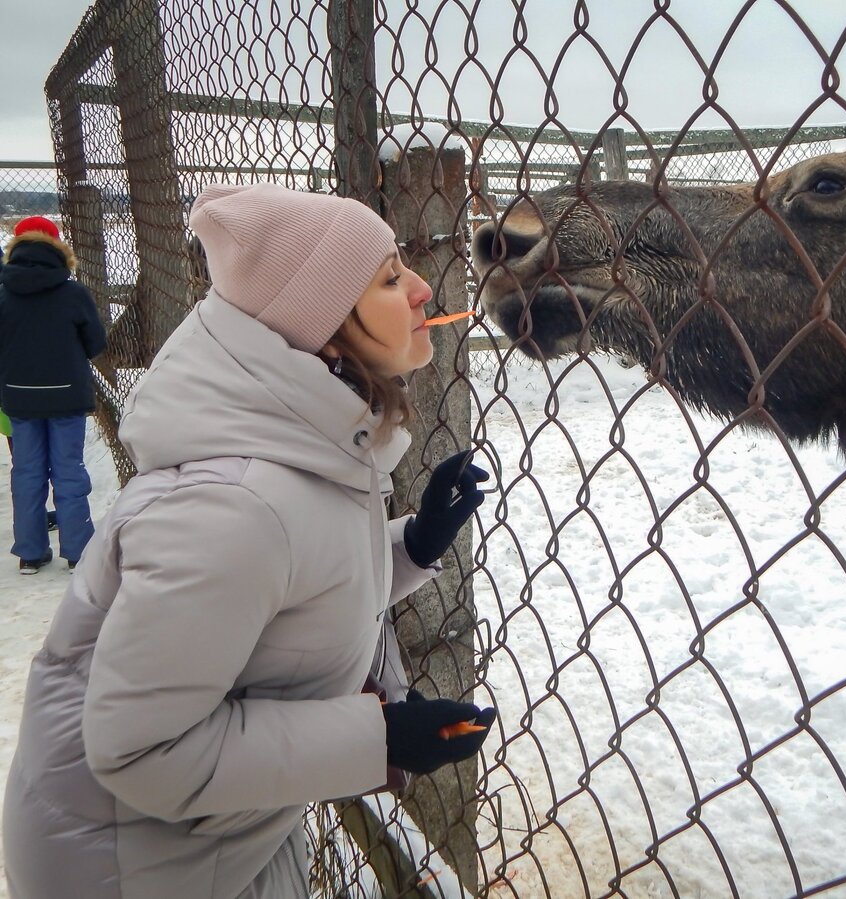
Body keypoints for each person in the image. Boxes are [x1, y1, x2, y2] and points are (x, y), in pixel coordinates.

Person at [3, 183, 497, 898]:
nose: (424, 289)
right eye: (391, 277)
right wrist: (381, 740)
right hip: (123, 864)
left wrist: (412, 545)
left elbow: (285, 605)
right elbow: (140, 749)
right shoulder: (232, 511)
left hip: (214, 834)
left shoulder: (311, 441)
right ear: (324, 326)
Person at [0, 215, 106, 573]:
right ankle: (77, 551)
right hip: (66, 396)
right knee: (68, 470)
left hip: (19, 397)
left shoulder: (3, 294)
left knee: (27, 471)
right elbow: (95, 344)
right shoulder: (74, 294)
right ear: (58, 248)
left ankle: (30, 552)